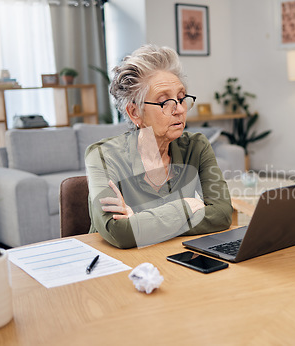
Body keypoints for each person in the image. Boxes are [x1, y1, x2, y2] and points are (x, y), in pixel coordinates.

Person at [85, 44, 233, 249]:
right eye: (164, 102)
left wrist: (140, 221)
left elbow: (223, 214)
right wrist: (187, 207)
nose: (179, 109)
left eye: (181, 99)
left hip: (171, 258)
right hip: (115, 266)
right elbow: (119, 232)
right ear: (135, 112)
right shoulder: (102, 156)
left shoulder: (196, 146)